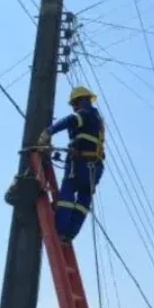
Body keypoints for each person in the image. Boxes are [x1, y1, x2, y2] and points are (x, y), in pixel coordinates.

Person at [37, 86, 105, 241]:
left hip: (80, 164)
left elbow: (69, 121)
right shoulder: (97, 119)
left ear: (81, 101)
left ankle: (60, 230)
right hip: (95, 168)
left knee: (67, 195)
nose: (74, 107)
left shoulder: (84, 114)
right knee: (83, 202)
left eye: (75, 104)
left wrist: (48, 132)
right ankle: (68, 236)